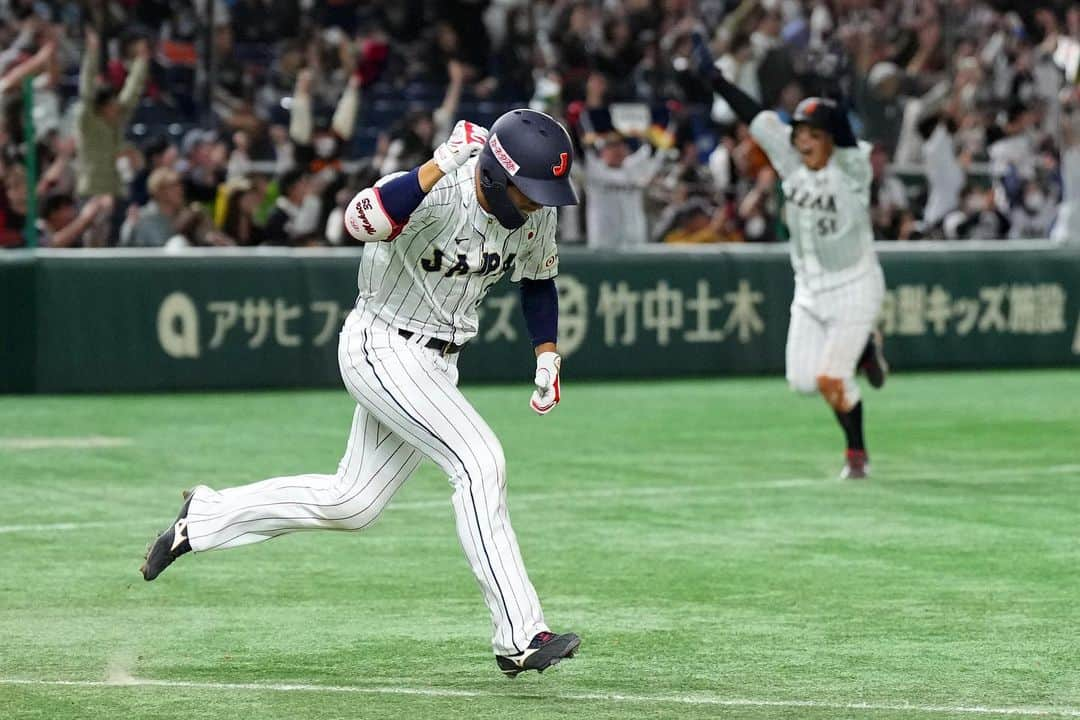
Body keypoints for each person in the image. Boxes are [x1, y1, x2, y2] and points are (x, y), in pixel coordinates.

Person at [141, 109, 582, 677]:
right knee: (480, 463)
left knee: (353, 503)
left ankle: (202, 518)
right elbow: (357, 220)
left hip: (436, 363)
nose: (539, 201)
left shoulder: (533, 212)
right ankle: (519, 636)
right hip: (381, 344)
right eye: (530, 189)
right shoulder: (440, 185)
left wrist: (546, 352)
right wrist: (435, 165)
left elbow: (538, 279)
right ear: (496, 174)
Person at [709, 71, 889, 480]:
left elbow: (843, 135)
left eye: (814, 133)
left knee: (831, 378)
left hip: (855, 285)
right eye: (801, 132)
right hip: (809, 290)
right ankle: (862, 351)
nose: (804, 140)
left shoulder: (852, 168)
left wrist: (838, 110)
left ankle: (856, 455)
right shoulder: (791, 160)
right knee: (804, 381)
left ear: (831, 138)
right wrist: (714, 79)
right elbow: (753, 114)